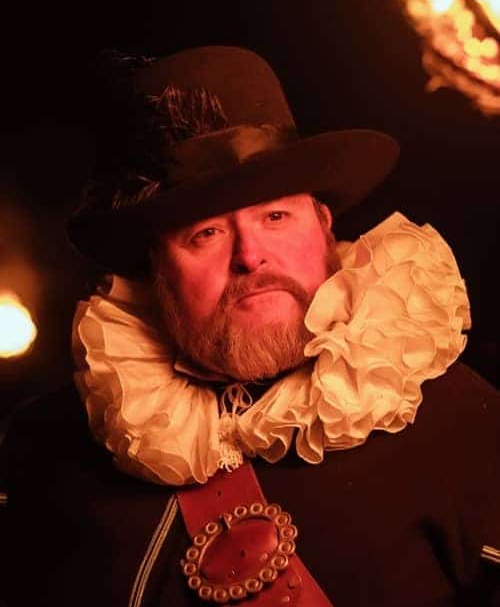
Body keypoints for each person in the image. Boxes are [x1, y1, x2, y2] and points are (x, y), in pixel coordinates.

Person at [1, 46, 499, 607]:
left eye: (275, 216)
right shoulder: (45, 451)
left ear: (323, 225)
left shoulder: (465, 426)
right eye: (206, 233)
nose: (250, 256)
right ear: (154, 270)